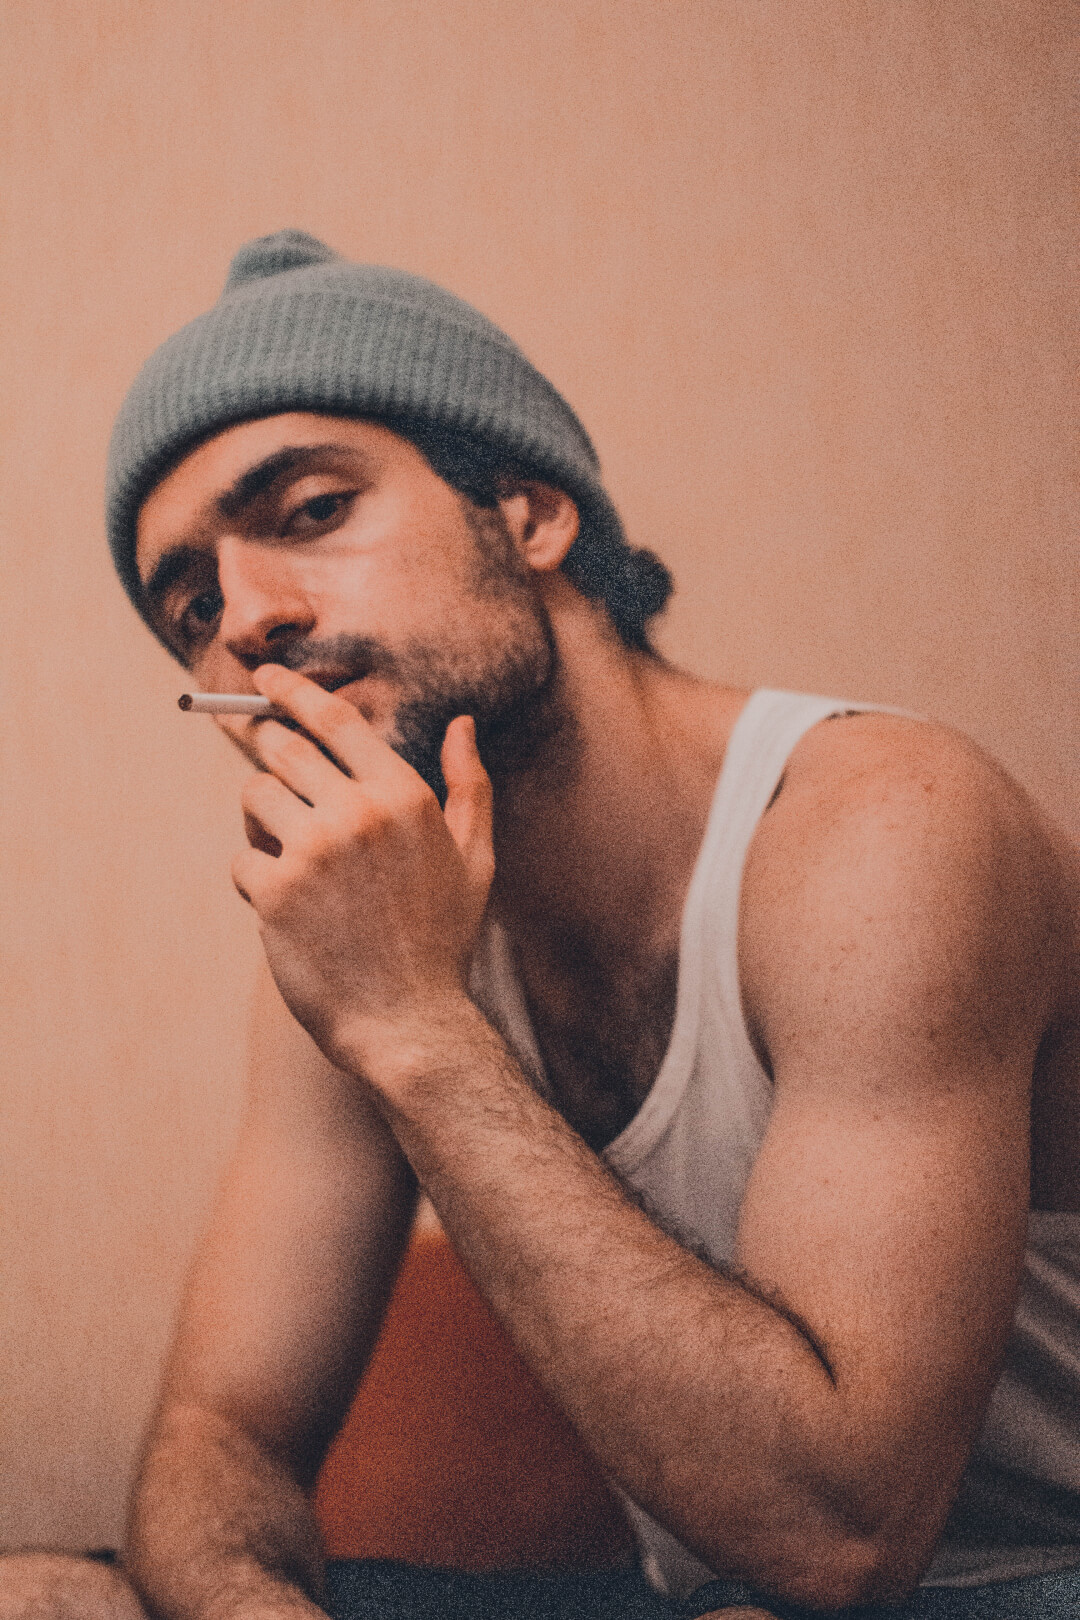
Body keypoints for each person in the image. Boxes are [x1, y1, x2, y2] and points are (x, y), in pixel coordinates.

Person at [5, 229, 1079, 1620]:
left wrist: (411, 1022)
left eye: (313, 511)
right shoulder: (355, 935)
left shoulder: (881, 829)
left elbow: (840, 1537)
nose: (249, 621)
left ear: (528, 514)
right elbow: (223, 1442)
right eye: (194, 605)